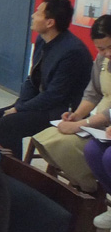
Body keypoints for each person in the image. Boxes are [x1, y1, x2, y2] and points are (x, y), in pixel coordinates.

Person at [0, 0, 92, 157]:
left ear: (50, 22)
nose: (33, 16)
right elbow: (33, 79)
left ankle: (15, 169)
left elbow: (55, 95)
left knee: (9, 123)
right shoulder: (42, 40)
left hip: (62, 111)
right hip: (43, 103)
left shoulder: (72, 52)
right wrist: (20, 104)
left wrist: (19, 109)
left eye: (38, 13)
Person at [31, 14, 111, 196]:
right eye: (101, 49)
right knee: (50, 139)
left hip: (102, 123)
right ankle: (83, 189)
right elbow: (93, 93)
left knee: (99, 154)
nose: (107, 53)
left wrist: (81, 124)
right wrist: (77, 115)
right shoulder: (102, 61)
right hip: (101, 127)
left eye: (110, 47)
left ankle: (88, 190)